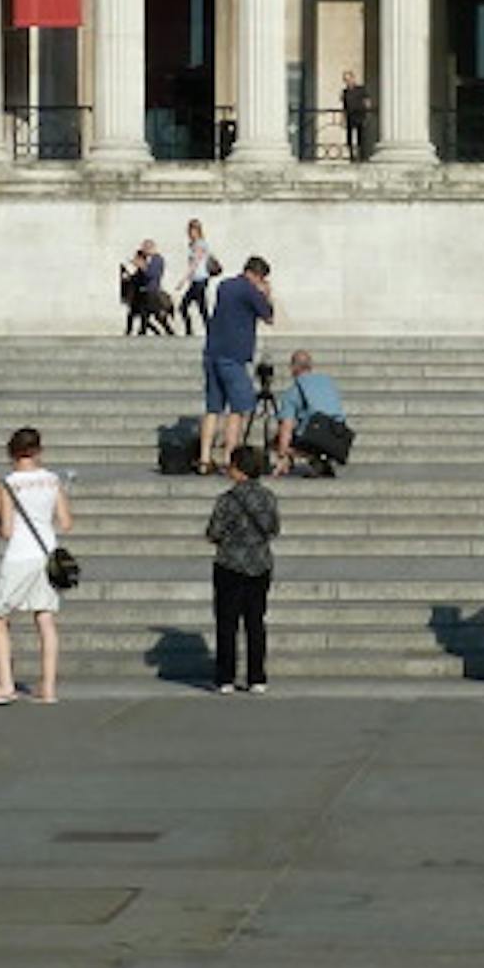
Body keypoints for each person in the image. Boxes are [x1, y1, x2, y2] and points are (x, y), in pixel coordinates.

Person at [0, 426, 71, 705]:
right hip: (46, 553)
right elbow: (66, 522)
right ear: (39, 450)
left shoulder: (10, 483)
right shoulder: (52, 480)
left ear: (12, 452)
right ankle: (48, 686)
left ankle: (5, 684)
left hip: (19, 555)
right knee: (45, 617)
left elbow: (7, 529)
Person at [205, 442, 281, 693]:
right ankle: (257, 677)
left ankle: (225, 677)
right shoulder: (268, 497)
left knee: (227, 623)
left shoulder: (227, 500)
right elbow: (273, 529)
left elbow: (213, 532)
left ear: (239, 469)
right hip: (260, 563)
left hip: (230, 564)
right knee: (255, 622)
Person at [199, 255, 275, 472]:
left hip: (212, 352)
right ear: (257, 275)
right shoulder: (250, 290)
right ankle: (229, 458)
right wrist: (266, 295)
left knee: (213, 408)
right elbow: (268, 316)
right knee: (238, 408)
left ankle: (204, 458)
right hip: (234, 356)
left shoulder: (225, 285)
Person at [273, 348, 349, 478]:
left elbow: (286, 426)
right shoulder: (327, 382)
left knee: (277, 439)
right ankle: (320, 462)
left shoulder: (293, 391)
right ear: (310, 366)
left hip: (316, 436)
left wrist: (282, 455)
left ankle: (309, 461)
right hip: (339, 436)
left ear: (292, 368)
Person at [123, 241, 173, 337]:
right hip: (143, 292)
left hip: (152, 291)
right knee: (136, 313)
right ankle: (132, 331)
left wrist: (142, 266)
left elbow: (152, 274)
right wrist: (129, 276)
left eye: (145, 248)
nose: (144, 251)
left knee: (152, 315)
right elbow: (139, 276)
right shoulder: (146, 259)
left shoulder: (158, 260)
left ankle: (167, 331)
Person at [177, 221, 217, 337]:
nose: (190, 233)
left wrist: (183, 280)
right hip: (197, 279)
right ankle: (208, 331)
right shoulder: (194, 244)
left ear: (197, 231)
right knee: (201, 307)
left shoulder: (200, 244)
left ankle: (192, 330)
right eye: (189, 231)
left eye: (192, 230)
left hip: (200, 278)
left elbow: (195, 263)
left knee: (186, 306)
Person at [340, 68, 369, 163]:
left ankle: (363, 157)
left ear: (353, 78)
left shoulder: (361, 89)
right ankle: (352, 157)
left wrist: (367, 114)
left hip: (360, 115)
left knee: (361, 137)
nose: (348, 82)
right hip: (350, 116)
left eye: (349, 79)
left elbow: (367, 101)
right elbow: (344, 106)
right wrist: (343, 118)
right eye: (345, 80)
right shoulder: (345, 92)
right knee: (349, 138)